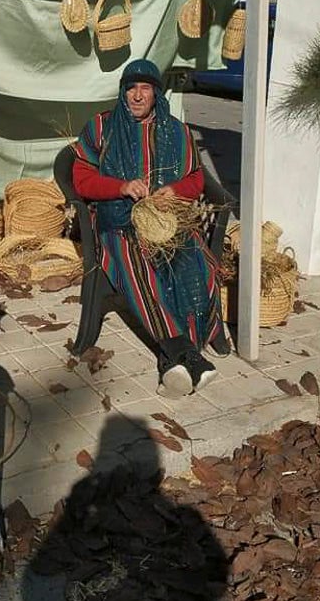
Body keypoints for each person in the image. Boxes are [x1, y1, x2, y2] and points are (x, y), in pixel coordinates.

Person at [73, 59, 229, 398]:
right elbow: (81, 178)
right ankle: (188, 356)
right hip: (118, 222)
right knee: (135, 263)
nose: (138, 95)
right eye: (131, 88)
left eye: (145, 88)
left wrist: (173, 191)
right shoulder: (102, 128)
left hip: (166, 221)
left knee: (195, 260)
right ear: (123, 91)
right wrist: (121, 187)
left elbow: (196, 178)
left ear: (156, 92)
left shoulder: (176, 131)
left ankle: (174, 359)